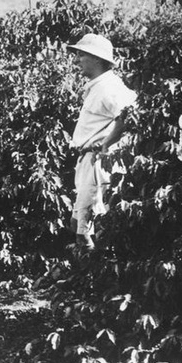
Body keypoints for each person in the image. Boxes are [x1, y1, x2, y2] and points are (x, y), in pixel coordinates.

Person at [66, 33, 137, 250]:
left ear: (97, 58)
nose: (77, 60)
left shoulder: (109, 87)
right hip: (87, 161)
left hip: (98, 163)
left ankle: (95, 277)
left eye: (81, 55)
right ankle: (86, 275)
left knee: (87, 230)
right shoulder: (97, 87)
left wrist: (106, 143)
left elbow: (129, 115)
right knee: (77, 224)